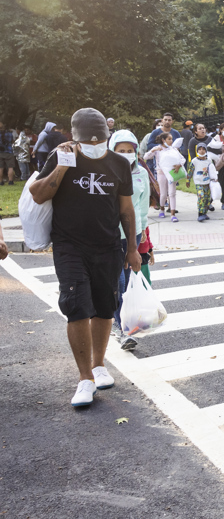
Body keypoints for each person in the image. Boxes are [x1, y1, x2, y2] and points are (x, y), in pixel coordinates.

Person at [29, 108, 140, 407]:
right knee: (76, 305)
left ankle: (99, 364)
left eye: (100, 139)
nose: (95, 144)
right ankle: (84, 379)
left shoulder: (119, 163)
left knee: (105, 306)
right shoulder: (60, 156)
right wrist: (63, 166)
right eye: (88, 141)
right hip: (70, 246)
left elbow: (126, 209)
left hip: (107, 245)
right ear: (75, 138)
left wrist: (132, 248)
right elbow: (38, 194)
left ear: (107, 135)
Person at [108, 130, 151, 352]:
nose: (126, 154)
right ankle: (120, 329)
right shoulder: (106, 171)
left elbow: (142, 205)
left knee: (125, 281)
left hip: (131, 235)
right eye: (121, 151)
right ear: (112, 151)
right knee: (118, 283)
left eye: (130, 151)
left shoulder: (141, 173)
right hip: (109, 235)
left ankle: (121, 323)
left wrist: (142, 229)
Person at [144, 132, 183, 222]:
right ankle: (162, 210)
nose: (171, 141)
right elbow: (146, 157)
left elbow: (182, 159)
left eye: (171, 139)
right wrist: (153, 151)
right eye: (169, 139)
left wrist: (179, 165)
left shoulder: (173, 149)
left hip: (172, 173)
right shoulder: (158, 149)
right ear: (163, 140)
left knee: (172, 193)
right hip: (161, 173)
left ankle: (173, 214)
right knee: (163, 193)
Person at [186, 143, 217, 222]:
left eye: (203, 149)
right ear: (197, 151)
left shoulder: (209, 160)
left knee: (207, 198)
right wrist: (188, 180)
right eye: (200, 149)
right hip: (198, 182)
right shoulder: (194, 161)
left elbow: (212, 170)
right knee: (201, 197)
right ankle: (200, 214)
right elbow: (190, 171)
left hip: (207, 182)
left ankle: (205, 213)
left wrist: (214, 178)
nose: (202, 151)